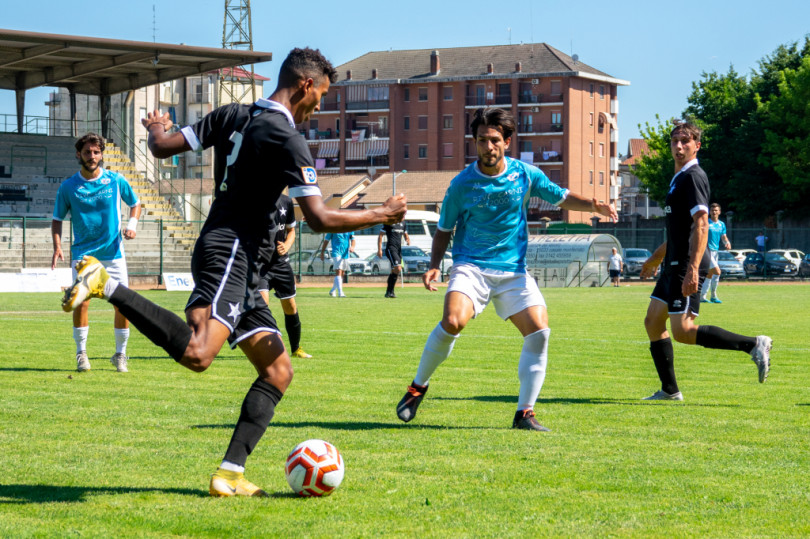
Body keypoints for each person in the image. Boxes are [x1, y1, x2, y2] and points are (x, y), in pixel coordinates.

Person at [60, 47, 407, 497]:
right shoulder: (286, 136)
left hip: (241, 261)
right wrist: (383, 212)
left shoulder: (230, 114)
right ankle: (106, 283)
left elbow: (162, 148)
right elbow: (319, 217)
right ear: (305, 85)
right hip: (232, 252)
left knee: (279, 371)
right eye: (320, 94)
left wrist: (159, 126)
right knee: (200, 353)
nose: (319, 105)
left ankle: (229, 473)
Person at [395, 107, 617, 431]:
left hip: (513, 271)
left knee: (540, 331)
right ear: (474, 142)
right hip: (471, 266)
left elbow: (561, 197)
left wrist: (594, 205)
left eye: (495, 140)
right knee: (453, 321)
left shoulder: (525, 175)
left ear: (507, 142)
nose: (488, 146)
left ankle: (524, 414)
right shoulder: (461, 185)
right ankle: (417, 387)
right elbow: (443, 229)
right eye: (482, 140)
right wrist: (433, 266)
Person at [639, 122, 771, 401]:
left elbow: (701, 225)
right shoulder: (678, 178)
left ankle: (754, 344)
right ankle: (670, 390)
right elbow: (678, 232)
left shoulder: (693, 177)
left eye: (685, 141)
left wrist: (692, 271)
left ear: (697, 145)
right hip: (672, 264)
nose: (678, 146)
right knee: (653, 322)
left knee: (684, 331)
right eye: (674, 141)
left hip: (685, 265)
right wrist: (654, 259)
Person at [52, 133, 141, 373]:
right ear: (78, 155)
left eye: (96, 152)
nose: (92, 156)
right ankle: (81, 354)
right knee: (81, 303)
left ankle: (120, 355)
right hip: (84, 256)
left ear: (101, 154)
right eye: (87, 152)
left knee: (123, 305)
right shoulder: (68, 186)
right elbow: (57, 219)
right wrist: (57, 246)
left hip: (113, 255)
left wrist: (131, 226)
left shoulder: (115, 179)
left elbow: (135, 203)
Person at [257, 193, 312, 359]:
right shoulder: (254, 199)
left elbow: (291, 231)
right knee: (262, 304)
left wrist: (287, 245)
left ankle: (296, 349)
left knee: (290, 306)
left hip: (281, 264)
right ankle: (263, 346)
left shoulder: (286, 201)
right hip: (260, 264)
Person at [700, 203, 731, 303]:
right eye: (712, 210)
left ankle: (703, 296)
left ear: (719, 212)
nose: (714, 212)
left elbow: (723, 236)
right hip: (707, 251)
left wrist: (727, 243)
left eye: (716, 210)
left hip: (715, 251)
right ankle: (712, 295)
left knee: (711, 274)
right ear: (710, 212)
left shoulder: (721, 224)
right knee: (717, 271)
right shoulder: (706, 222)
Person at [378, 221, 410, 298]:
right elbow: (381, 235)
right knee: (398, 268)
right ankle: (390, 292)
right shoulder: (389, 222)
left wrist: (407, 239)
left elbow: (405, 234)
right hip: (391, 248)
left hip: (398, 250)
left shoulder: (403, 223)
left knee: (395, 270)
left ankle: (389, 292)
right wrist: (379, 250)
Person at [319, 231, 354, 297]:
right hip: (336, 252)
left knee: (342, 273)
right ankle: (340, 293)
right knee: (339, 271)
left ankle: (332, 290)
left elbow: (353, 239)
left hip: (345, 254)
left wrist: (352, 247)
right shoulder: (333, 228)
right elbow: (326, 240)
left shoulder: (350, 228)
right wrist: (322, 252)